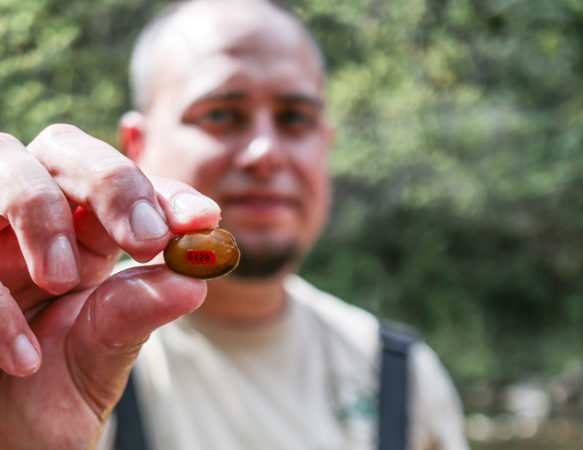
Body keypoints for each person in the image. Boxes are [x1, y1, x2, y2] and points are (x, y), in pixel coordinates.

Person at [0, 0, 468, 448]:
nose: (265, 153)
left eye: (294, 118)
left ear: (325, 146)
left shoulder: (403, 377)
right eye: (221, 114)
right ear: (136, 146)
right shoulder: (51, 340)